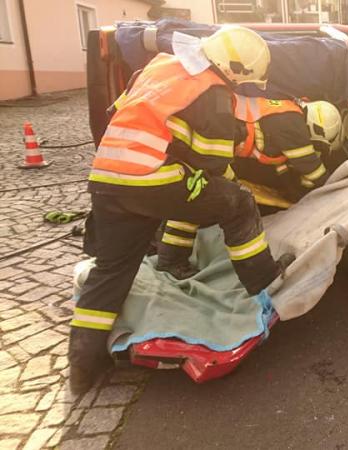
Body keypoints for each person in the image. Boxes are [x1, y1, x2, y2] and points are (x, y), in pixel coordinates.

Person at [69, 26, 286, 394]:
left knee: (112, 270)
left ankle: (82, 367)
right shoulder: (213, 92)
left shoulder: (162, 66)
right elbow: (212, 161)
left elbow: (115, 112)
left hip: (107, 177)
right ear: (235, 70)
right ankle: (263, 279)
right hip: (152, 178)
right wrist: (233, 186)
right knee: (238, 202)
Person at [156, 98, 339, 279]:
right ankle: (260, 275)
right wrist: (337, 190)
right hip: (205, 148)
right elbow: (310, 168)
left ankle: (168, 258)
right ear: (317, 129)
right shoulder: (291, 124)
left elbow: (281, 164)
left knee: (197, 201)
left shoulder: (284, 114)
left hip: (200, 145)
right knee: (232, 205)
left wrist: (292, 191)